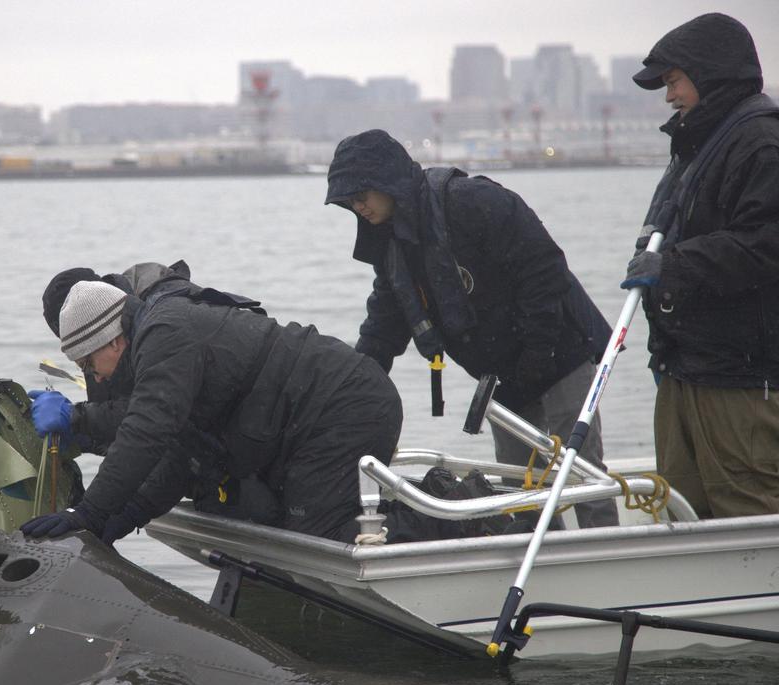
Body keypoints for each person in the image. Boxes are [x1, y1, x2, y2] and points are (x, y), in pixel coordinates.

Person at [325, 129, 618, 528]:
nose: (357, 206)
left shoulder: (471, 201)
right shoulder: (391, 244)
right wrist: (355, 384)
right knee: (519, 488)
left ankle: (604, 555)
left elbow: (543, 269)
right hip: (502, 373)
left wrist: (538, 351)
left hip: (560, 352)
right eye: (348, 201)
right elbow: (384, 323)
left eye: (361, 195)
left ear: (386, 182)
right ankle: (541, 564)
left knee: (582, 471)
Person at [19, 279, 403, 544]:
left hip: (345, 405)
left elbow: (145, 433)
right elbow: (182, 458)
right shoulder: (153, 347)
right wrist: (118, 519)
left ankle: (446, 523)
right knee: (288, 526)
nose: (93, 376)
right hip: (314, 419)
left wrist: (88, 514)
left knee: (320, 537)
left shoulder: (165, 333)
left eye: (88, 364)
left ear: (112, 340)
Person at [620, 13, 779, 519]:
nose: (669, 96)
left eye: (673, 81)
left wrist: (673, 267)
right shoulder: (697, 144)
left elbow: (764, 243)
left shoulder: (758, 142)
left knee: (746, 505)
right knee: (677, 507)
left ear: (710, 75)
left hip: (738, 375)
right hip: (685, 366)